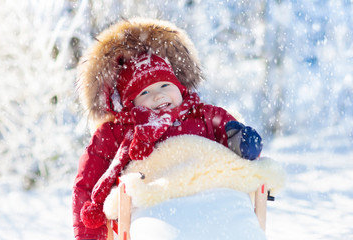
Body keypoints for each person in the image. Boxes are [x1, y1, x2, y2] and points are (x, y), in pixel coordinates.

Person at [72, 18, 262, 240]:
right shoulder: (120, 132)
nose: (158, 95)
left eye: (164, 85)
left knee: (236, 227)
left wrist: (241, 139)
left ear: (180, 88)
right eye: (144, 92)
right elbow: (87, 184)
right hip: (157, 203)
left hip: (215, 195)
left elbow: (227, 129)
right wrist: (90, 234)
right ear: (129, 104)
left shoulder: (202, 114)